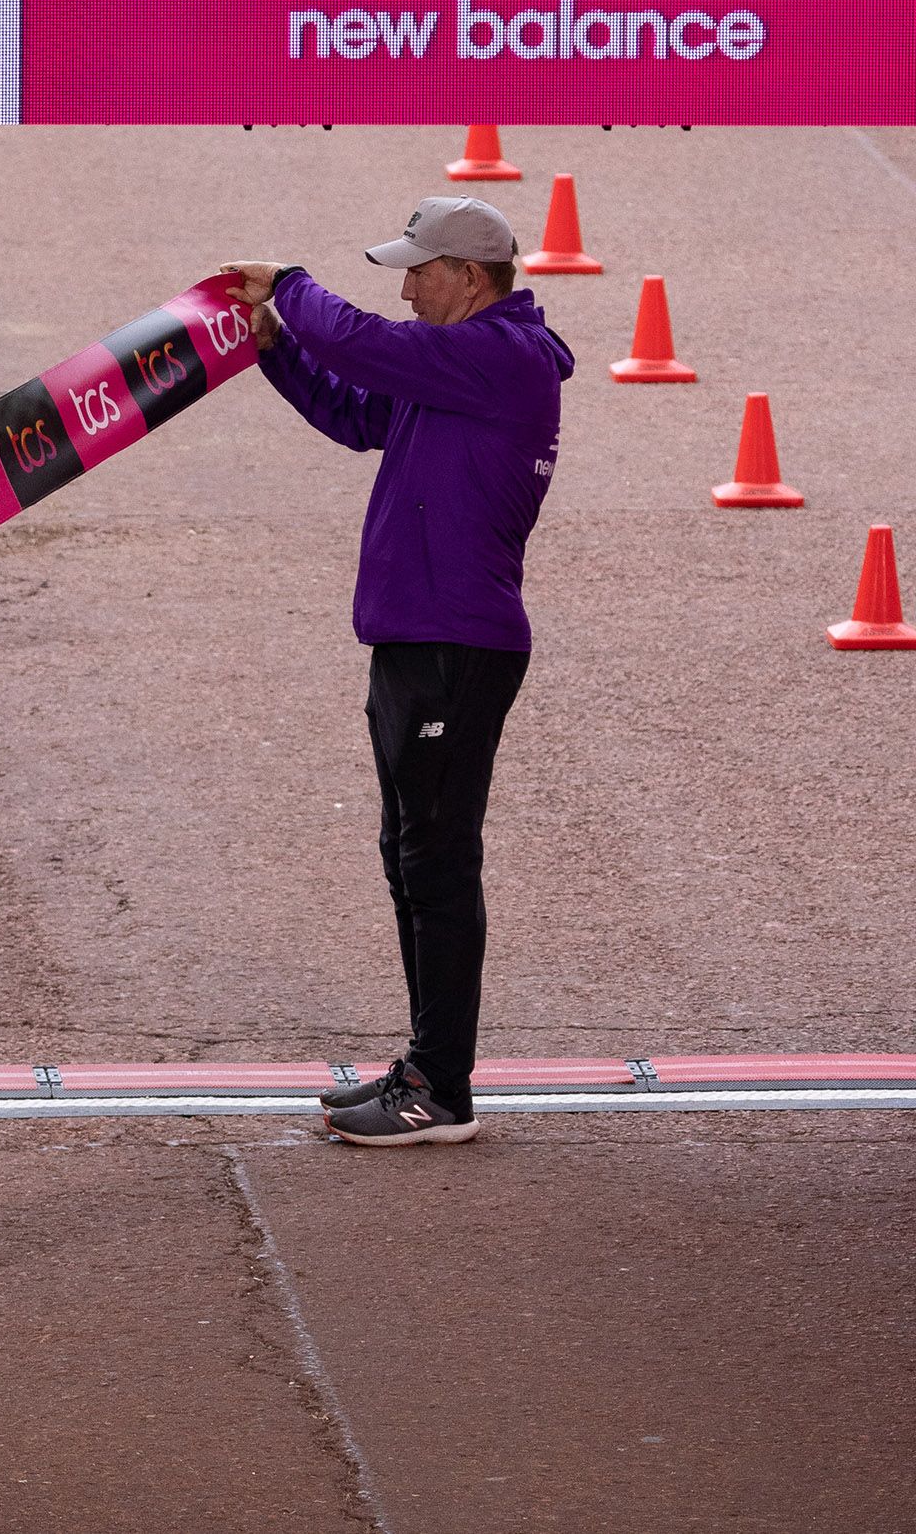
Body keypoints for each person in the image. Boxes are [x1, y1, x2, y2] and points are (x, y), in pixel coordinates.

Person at [223, 196, 572, 1147]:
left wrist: (290, 287)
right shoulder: (455, 365)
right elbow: (351, 408)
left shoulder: (500, 357)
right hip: (419, 642)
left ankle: (442, 1090)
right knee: (409, 854)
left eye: (420, 269)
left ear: (471, 276)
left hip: (458, 648)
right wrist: (271, 347)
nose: (408, 284)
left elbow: (367, 347)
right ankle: (425, 1064)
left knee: (439, 860)